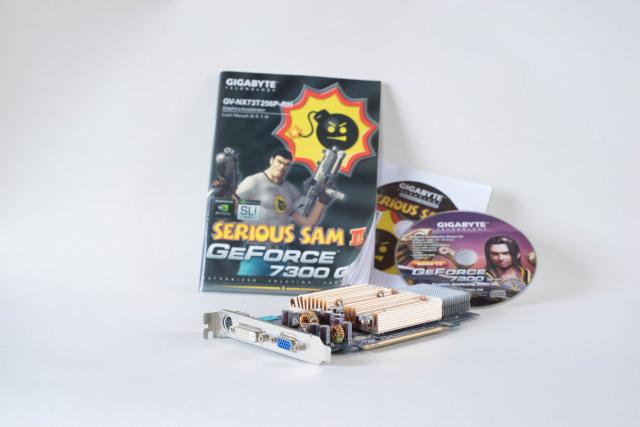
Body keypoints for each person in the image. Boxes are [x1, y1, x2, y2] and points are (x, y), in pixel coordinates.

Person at [234, 148, 332, 275]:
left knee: (280, 288)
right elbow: (233, 206)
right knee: (245, 286)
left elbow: (307, 223)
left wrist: (323, 200)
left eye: (286, 164)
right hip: (256, 251)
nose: (282, 167)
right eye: (279, 162)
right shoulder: (253, 182)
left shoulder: (290, 190)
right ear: (271, 161)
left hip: (281, 254)